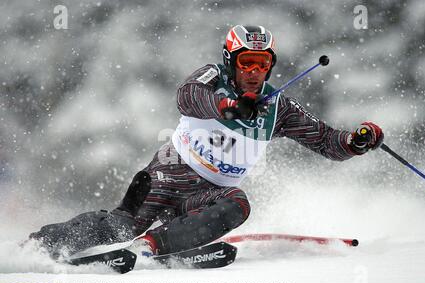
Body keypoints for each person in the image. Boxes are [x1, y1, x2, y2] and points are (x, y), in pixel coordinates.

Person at [30, 25, 384, 259]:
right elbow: (187, 96)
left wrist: (357, 141)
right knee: (120, 226)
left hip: (208, 194)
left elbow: (327, 142)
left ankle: (152, 248)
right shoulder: (213, 76)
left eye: (262, 64)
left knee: (238, 205)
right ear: (232, 60)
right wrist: (227, 106)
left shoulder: (279, 107)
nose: (254, 72)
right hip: (166, 175)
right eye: (247, 63)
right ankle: (36, 246)